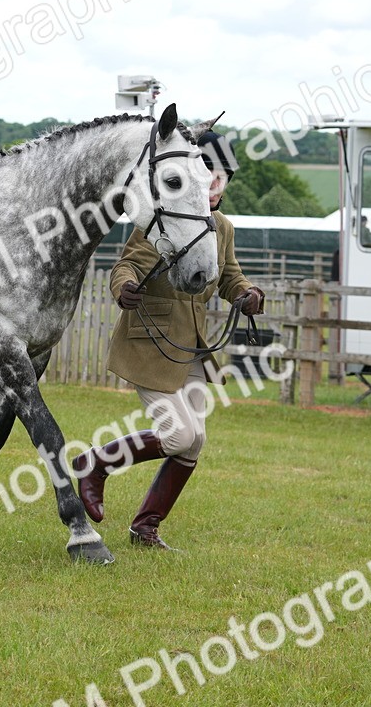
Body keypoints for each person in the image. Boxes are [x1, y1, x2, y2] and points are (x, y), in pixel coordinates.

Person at [72, 130, 264, 551]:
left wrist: (247, 294)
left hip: (191, 347)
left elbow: (229, 275)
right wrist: (124, 289)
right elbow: (126, 267)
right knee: (178, 436)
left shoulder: (222, 227)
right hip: (151, 343)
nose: (214, 183)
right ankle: (95, 464)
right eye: (207, 175)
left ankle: (145, 528)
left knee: (195, 442)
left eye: (221, 177)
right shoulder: (163, 215)